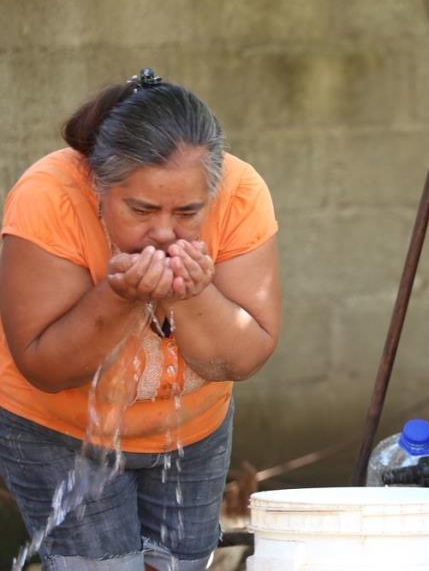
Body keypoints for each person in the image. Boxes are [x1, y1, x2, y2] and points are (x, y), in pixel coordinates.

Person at [0, 68, 280, 570]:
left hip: (191, 431)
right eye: (141, 209)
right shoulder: (49, 196)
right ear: (97, 185)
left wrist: (192, 293)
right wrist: (119, 297)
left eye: (188, 212)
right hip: (60, 432)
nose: (164, 232)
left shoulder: (241, 194)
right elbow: (45, 367)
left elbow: (241, 356)